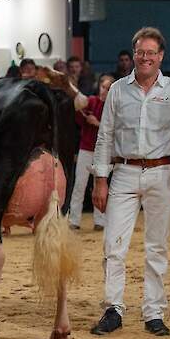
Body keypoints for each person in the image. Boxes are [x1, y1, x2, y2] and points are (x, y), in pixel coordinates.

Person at [89, 26, 170, 337]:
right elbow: (105, 134)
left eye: (151, 52)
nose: (145, 57)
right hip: (124, 172)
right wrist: (100, 179)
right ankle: (113, 308)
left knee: (157, 246)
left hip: (162, 173)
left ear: (161, 56)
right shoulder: (119, 90)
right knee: (113, 244)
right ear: (133, 54)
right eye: (140, 52)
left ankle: (153, 312)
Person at [70, 74, 113, 232]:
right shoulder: (91, 101)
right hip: (86, 148)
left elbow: (114, 131)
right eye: (103, 87)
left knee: (100, 186)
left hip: (102, 151)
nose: (105, 91)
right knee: (79, 185)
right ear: (99, 87)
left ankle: (100, 220)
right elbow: (79, 117)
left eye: (108, 88)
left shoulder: (113, 107)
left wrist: (97, 123)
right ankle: (74, 219)